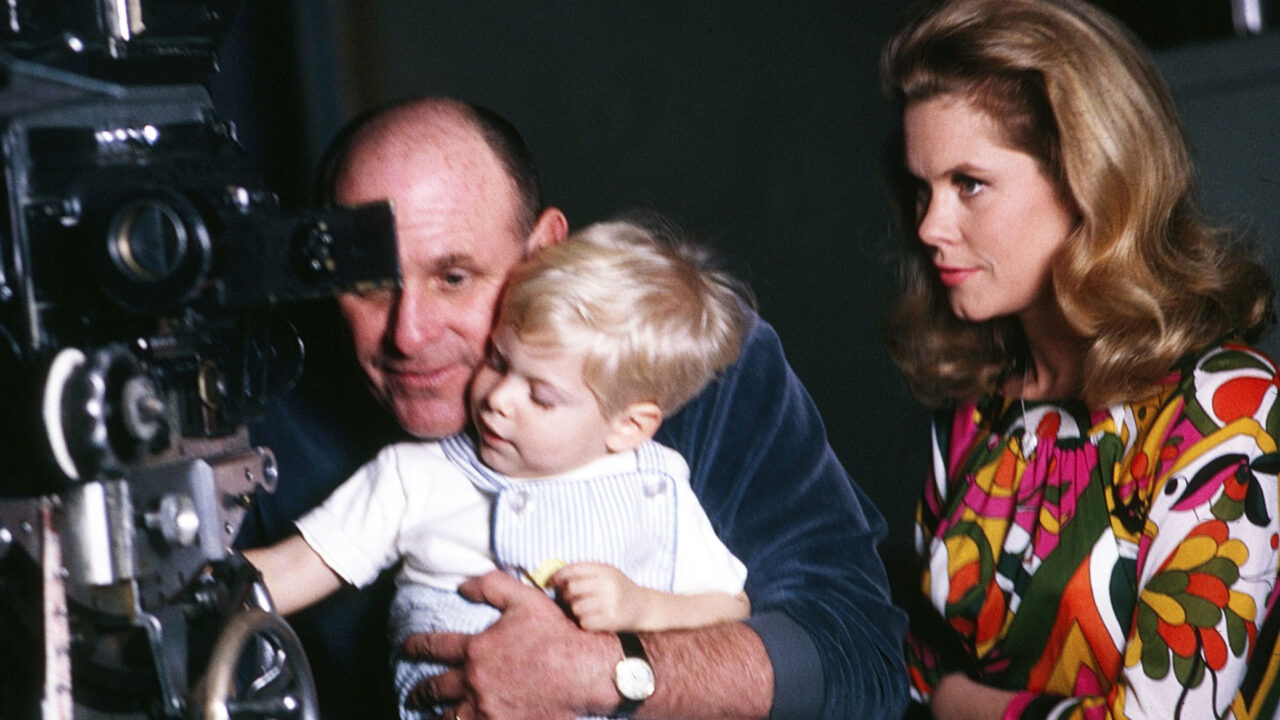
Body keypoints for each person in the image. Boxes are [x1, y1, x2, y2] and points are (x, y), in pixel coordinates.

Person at [239, 97, 909, 720]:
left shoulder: (691, 370)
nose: (408, 335)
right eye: (369, 284)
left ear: (543, 254)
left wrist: (610, 670)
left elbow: (860, 661)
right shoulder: (265, 408)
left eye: (455, 278)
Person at [879, 1, 1280, 718]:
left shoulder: (1229, 412)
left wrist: (961, 706)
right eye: (923, 189)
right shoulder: (983, 407)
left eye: (969, 183)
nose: (931, 227)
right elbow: (909, 669)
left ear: (1088, 177)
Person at [246, 218, 757, 720]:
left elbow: (730, 607)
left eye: (541, 395)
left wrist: (644, 607)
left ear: (627, 427)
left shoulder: (657, 489)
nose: (499, 399)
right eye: (497, 359)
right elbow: (289, 571)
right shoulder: (416, 477)